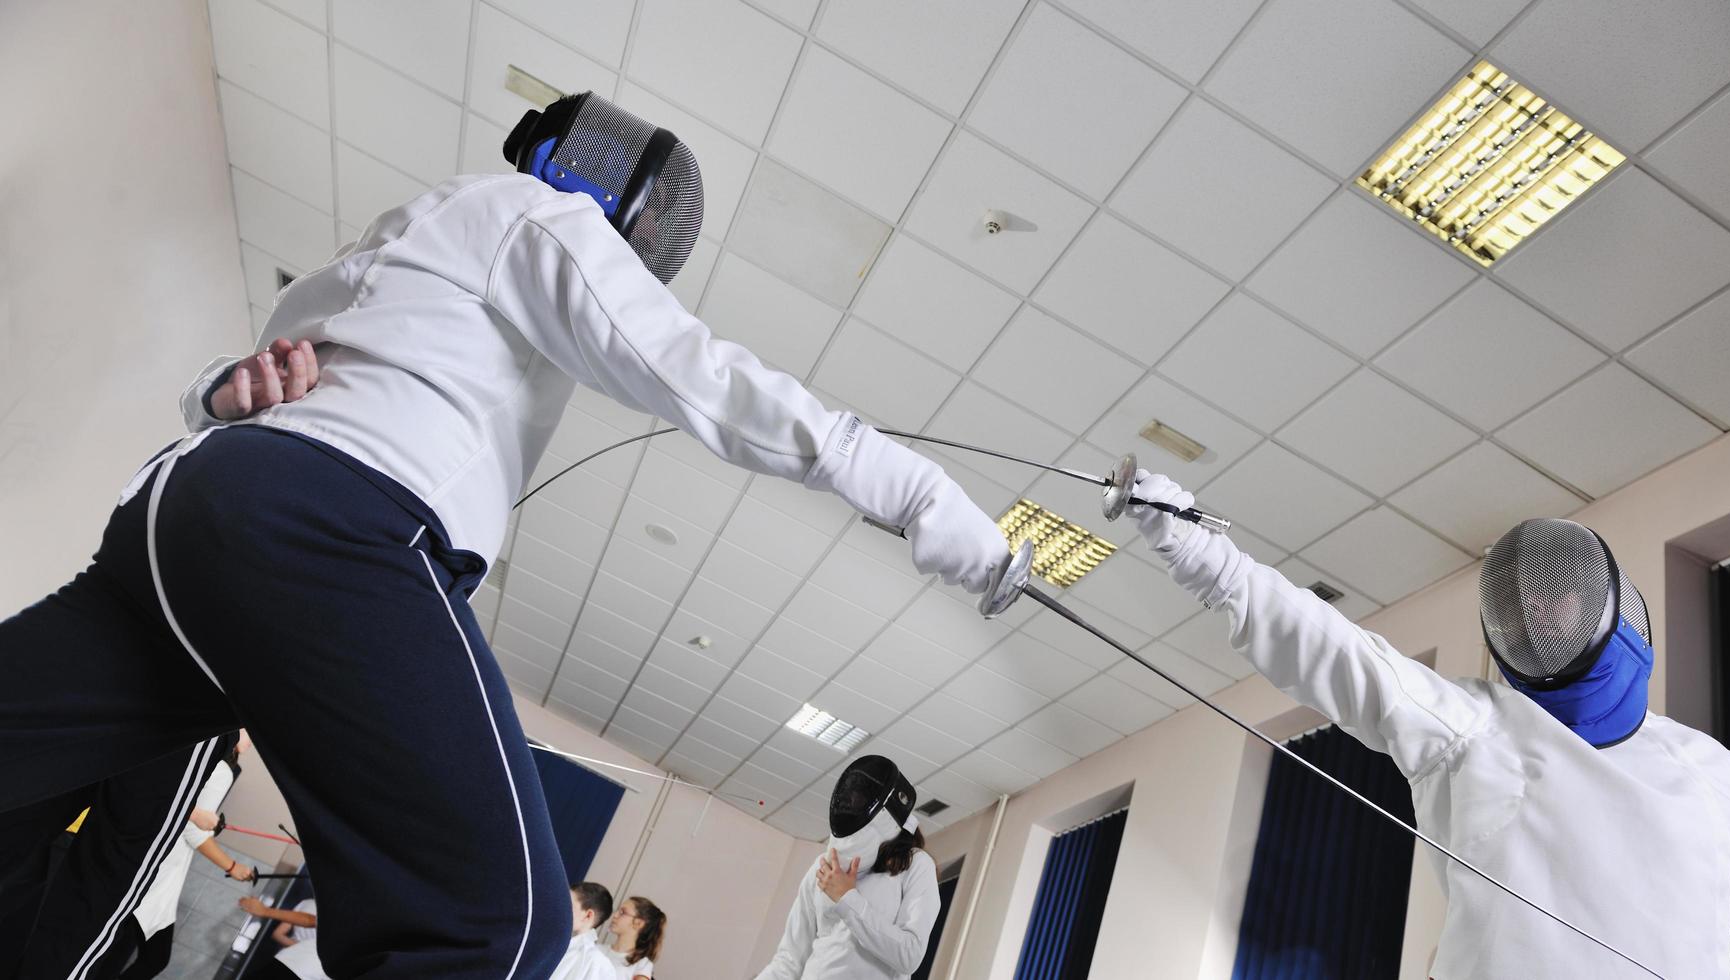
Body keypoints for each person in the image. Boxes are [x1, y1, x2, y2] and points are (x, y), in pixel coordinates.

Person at [0, 91, 1009, 977]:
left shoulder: (413, 227)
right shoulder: (544, 219)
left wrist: (214, 392)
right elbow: (707, 380)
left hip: (182, 517)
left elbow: (252, 382)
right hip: (328, 530)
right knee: (498, 927)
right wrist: (922, 497)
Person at [1123, 472, 1730, 977]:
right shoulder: (1472, 730)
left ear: (1602, 604)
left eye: (1556, 593)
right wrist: (1202, 554)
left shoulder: (1714, 776)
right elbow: (1340, 656)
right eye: (1523, 602)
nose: (1536, 610)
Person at [756, 756, 939, 979]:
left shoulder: (916, 865)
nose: (852, 803)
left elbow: (909, 955)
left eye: (860, 799)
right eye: (851, 798)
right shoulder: (824, 866)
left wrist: (847, 898)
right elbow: (789, 960)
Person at [101, 732, 253, 979]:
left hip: (151, 867)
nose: (252, 740)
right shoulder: (223, 770)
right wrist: (233, 866)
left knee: (128, 952)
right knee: (137, 956)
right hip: (157, 876)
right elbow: (193, 831)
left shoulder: (202, 760)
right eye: (249, 733)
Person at [240, 895, 328, 980]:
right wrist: (264, 911)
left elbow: (310, 920)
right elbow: (310, 920)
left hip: (292, 960)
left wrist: (264, 911)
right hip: (304, 969)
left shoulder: (308, 903)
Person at [551, 882, 621, 980]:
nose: (561, 909)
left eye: (569, 906)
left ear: (588, 916)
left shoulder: (598, 965)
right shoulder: (553, 944)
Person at [600, 895, 664, 980]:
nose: (615, 915)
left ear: (638, 923)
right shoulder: (596, 949)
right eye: (617, 910)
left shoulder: (642, 964)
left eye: (622, 912)